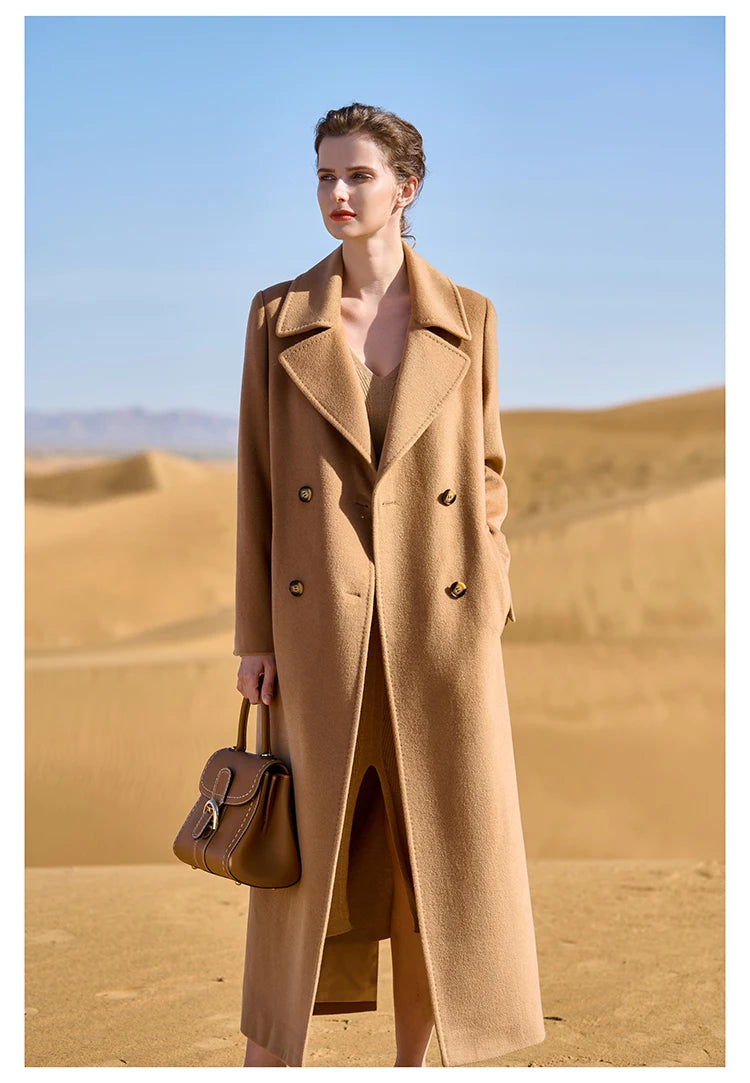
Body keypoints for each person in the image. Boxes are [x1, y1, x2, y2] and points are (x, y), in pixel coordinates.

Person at [234, 103, 545, 1069]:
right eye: (325, 176)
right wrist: (254, 634)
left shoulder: (471, 317)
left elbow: (487, 473)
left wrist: (486, 588)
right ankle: (272, 1054)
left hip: (437, 630)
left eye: (357, 177)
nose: (336, 194)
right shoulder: (277, 316)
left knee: (436, 862)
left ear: (406, 188)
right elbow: (252, 480)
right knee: (300, 857)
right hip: (317, 626)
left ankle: (417, 1063)